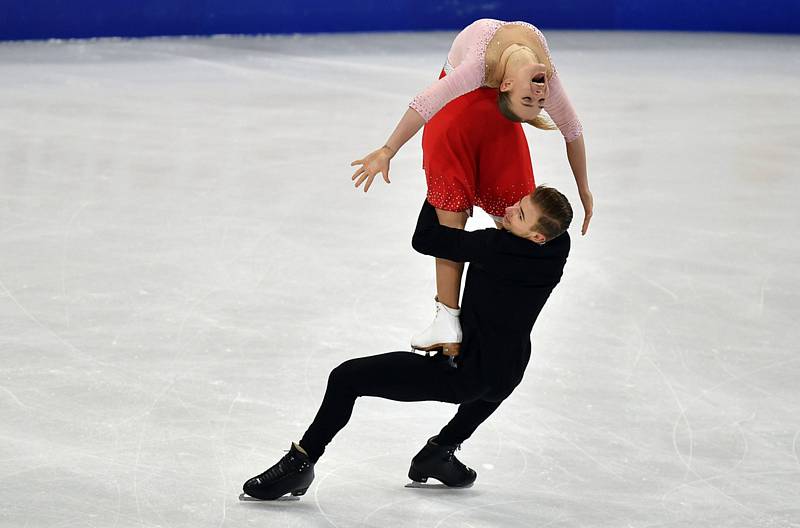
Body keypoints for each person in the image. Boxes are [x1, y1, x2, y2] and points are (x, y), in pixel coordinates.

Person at [241, 185, 573, 500]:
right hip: (509, 371)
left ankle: (301, 463)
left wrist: (440, 192)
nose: (511, 209)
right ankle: (438, 453)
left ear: (537, 236)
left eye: (520, 215)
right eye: (521, 202)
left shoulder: (496, 247)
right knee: (488, 391)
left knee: (345, 378)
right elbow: (532, 221)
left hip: (463, 374)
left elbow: (426, 239)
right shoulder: (558, 248)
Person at [349, 18, 593, 356]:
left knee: (517, 209)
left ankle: (497, 313)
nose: (540, 95)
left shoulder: (541, 75)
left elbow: (571, 127)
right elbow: (426, 102)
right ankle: (446, 320)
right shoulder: (480, 63)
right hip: (451, 115)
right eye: (532, 98)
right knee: (451, 212)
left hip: (499, 123)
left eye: (538, 101)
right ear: (505, 83)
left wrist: (584, 188)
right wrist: (388, 150)